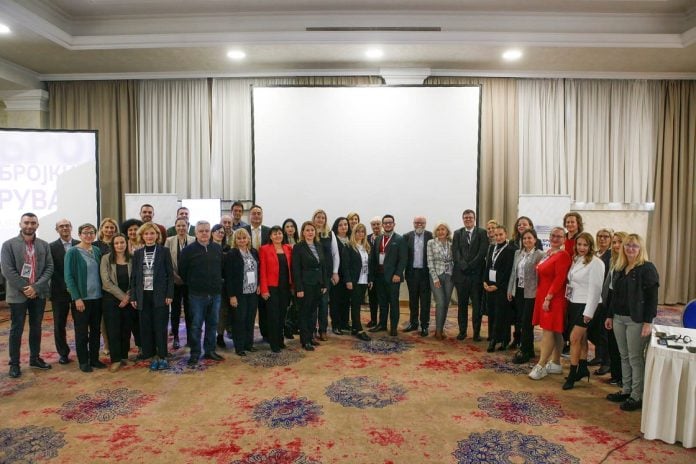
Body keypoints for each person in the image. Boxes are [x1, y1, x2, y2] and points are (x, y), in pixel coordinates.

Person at [604, 234, 659, 411]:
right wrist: (610, 315)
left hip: (637, 320)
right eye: (627, 245)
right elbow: (614, 296)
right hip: (618, 318)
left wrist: (648, 322)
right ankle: (626, 390)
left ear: (641, 248)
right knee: (624, 356)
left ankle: (637, 396)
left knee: (635, 358)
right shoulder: (620, 267)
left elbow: (652, 299)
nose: (630, 249)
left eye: (634, 246)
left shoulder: (647, 268)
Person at [1, 213, 54, 378]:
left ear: (37, 225)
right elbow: (7, 270)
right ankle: (14, 364)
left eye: (33, 223)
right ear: (20, 224)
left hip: (39, 293)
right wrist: (26, 288)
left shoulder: (44, 245)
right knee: (16, 329)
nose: (29, 226)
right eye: (26, 223)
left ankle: (35, 358)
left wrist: (35, 287)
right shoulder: (8, 245)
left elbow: (49, 267)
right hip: (18, 294)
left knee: (36, 327)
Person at [178, 221, 225, 366]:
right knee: (196, 325)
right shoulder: (188, 251)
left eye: (206, 230)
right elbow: (182, 272)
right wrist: (194, 283)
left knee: (213, 323)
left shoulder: (217, 248)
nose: (204, 233)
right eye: (201, 231)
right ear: (195, 233)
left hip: (215, 294)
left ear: (210, 232)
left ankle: (210, 350)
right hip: (197, 295)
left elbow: (221, 269)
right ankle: (195, 353)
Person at [562, 232, 605, 390]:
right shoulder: (577, 259)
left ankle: (572, 374)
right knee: (582, 338)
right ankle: (582, 368)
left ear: (591, 246)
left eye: (585, 245)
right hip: (574, 303)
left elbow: (596, 290)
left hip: (587, 305)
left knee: (574, 339)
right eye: (579, 244)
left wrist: (588, 313)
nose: (582, 247)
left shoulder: (596, 263)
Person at [528, 227, 572, 380]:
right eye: (553, 235)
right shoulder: (549, 253)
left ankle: (541, 365)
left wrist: (549, 297)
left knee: (548, 331)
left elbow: (560, 278)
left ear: (564, 239)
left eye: (559, 236)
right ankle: (556, 363)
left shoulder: (563, 255)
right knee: (556, 331)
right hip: (544, 294)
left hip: (554, 297)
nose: (555, 238)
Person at [130, 223, 174, 370]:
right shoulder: (138, 253)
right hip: (143, 295)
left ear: (157, 235)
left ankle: (162, 355)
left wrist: (169, 294)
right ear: (142, 236)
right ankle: (150, 355)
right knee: (146, 326)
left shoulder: (164, 251)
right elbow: (134, 277)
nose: (149, 236)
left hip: (160, 294)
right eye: (146, 234)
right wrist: (133, 297)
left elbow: (170, 275)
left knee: (160, 326)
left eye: (152, 233)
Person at [64, 223, 105, 373]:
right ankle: (83, 361)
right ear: (79, 235)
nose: (89, 235)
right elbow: (68, 277)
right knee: (81, 332)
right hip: (82, 299)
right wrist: (77, 298)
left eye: (91, 232)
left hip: (98, 297)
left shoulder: (96, 250)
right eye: (85, 233)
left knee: (95, 331)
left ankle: (94, 359)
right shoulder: (72, 252)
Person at [506, 228, 545, 363]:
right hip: (519, 290)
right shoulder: (518, 253)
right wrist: (510, 289)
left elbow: (541, 276)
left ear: (535, 240)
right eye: (524, 238)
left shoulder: (540, 255)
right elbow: (513, 272)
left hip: (531, 292)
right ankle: (529, 349)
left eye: (529, 238)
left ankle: (524, 351)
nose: (527, 240)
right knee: (521, 321)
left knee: (527, 323)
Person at [452, 209, 488, 341]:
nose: (468, 219)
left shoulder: (482, 233)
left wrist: (470, 265)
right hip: (461, 276)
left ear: (474, 219)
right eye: (465, 217)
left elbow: (482, 252)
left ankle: (476, 333)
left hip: (476, 276)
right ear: (463, 219)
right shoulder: (457, 233)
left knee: (477, 307)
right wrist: (463, 265)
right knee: (462, 306)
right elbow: (455, 252)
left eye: (470, 217)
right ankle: (462, 332)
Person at [292, 221, 329, 351]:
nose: (310, 232)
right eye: (307, 230)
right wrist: (299, 288)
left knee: (313, 312)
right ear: (303, 232)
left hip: (318, 284)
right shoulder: (298, 247)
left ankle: (311, 337)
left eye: (312, 230)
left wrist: (324, 283)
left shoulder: (319, 245)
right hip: (305, 285)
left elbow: (323, 266)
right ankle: (305, 340)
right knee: (304, 312)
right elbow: (296, 269)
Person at [368, 214, 407, 337]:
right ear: (383, 225)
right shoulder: (378, 239)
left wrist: (398, 274)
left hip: (393, 277)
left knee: (393, 303)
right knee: (382, 302)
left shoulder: (400, 239)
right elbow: (373, 258)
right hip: (379, 276)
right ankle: (382, 324)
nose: (388, 225)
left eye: (390, 222)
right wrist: (372, 277)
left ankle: (393, 327)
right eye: (385, 223)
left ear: (394, 224)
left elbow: (403, 259)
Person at [99, 233, 133, 372]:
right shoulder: (106, 259)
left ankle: (124, 356)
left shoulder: (132, 258)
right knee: (113, 330)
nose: (120, 245)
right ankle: (116, 359)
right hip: (111, 300)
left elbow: (136, 279)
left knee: (126, 329)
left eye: (122, 242)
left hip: (129, 299)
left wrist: (128, 296)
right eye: (117, 243)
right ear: (113, 245)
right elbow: (106, 282)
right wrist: (122, 297)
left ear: (126, 243)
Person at [225, 228, 259, 356]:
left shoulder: (254, 252)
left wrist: (259, 285)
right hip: (239, 292)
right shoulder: (232, 254)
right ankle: (239, 347)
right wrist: (232, 295)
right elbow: (229, 276)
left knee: (250, 319)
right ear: (235, 240)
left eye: (244, 238)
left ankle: (248, 344)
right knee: (239, 320)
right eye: (239, 238)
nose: (242, 240)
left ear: (248, 239)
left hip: (253, 291)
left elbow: (258, 270)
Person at [49, 219, 79, 365]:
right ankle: (63, 353)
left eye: (67, 225)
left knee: (80, 323)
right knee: (59, 324)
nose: (65, 228)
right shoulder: (50, 247)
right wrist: (66, 285)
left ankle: (81, 350)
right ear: (57, 229)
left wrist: (74, 287)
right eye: (61, 226)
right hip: (59, 292)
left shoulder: (80, 244)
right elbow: (50, 269)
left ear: (71, 227)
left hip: (78, 292)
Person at [259, 226, 293, 352]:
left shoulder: (288, 248)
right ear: (270, 236)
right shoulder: (264, 249)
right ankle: (274, 343)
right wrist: (264, 289)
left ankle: (280, 340)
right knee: (273, 316)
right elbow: (262, 270)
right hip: (271, 287)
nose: (278, 236)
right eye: (275, 234)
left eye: (279, 233)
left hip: (285, 287)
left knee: (282, 315)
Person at [483, 225, 516, 352]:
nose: (498, 237)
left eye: (501, 234)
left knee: (502, 314)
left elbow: (508, 270)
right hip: (490, 285)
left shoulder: (511, 249)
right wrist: (485, 281)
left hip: (502, 287)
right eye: (496, 235)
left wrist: (497, 286)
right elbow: (488, 265)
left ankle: (500, 340)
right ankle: (494, 336)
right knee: (491, 312)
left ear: (506, 234)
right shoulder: (492, 247)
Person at [164, 217, 195, 349]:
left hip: (190, 282)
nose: (181, 228)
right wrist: (175, 277)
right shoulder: (169, 240)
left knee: (190, 311)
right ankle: (176, 337)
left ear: (187, 226)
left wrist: (189, 278)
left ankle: (190, 338)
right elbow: (166, 261)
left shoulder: (193, 240)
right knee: (175, 311)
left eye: (183, 225)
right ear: (175, 227)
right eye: (179, 226)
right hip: (175, 281)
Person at [602, 231, 628, 386]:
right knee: (612, 341)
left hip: (620, 304)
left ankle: (623, 377)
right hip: (610, 300)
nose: (617, 245)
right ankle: (615, 374)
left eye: (620, 242)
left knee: (620, 344)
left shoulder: (627, 263)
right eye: (615, 242)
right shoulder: (613, 260)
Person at [588, 228, 613, 375]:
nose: (602, 239)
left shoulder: (611, 256)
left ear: (610, 239)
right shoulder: (595, 254)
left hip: (604, 299)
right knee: (593, 329)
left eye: (606, 237)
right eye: (600, 236)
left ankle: (606, 361)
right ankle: (599, 355)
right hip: (592, 296)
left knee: (603, 332)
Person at [403, 216, 433, 336]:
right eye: (417, 222)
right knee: (413, 300)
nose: (419, 224)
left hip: (426, 273)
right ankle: (413, 323)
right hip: (412, 273)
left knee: (425, 301)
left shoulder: (431, 236)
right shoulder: (406, 236)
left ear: (425, 223)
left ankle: (424, 325)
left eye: (422, 222)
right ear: (413, 223)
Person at [244, 205, 270, 340]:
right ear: (249, 216)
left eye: (259, 213)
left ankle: (265, 334)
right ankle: (248, 338)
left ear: (262, 215)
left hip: (265, 272)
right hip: (247, 274)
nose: (256, 216)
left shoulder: (268, 231)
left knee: (265, 307)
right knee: (249, 309)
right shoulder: (243, 231)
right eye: (254, 213)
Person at [427, 222, 455, 341]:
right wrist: (435, 278)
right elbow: (430, 261)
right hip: (436, 276)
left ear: (447, 231)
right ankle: (438, 331)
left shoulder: (452, 243)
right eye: (438, 230)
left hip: (449, 276)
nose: (441, 232)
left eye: (443, 229)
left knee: (446, 303)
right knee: (440, 303)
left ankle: (441, 328)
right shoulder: (431, 243)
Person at [344, 223, 371, 341]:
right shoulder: (349, 246)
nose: (360, 234)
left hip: (364, 280)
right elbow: (345, 266)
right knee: (355, 305)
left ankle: (355, 328)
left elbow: (369, 265)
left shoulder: (366, 247)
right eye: (358, 231)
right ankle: (359, 329)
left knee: (358, 304)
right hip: (354, 280)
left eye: (362, 231)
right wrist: (348, 280)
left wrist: (370, 279)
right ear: (354, 233)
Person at [312, 209, 337, 340]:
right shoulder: (309, 232)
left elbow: (335, 254)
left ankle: (323, 330)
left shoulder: (330, 234)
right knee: (311, 304)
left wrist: (335, 272)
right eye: (318, 217)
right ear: (314, 218)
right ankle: (311, 330)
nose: (320, 219)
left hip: (326, 274)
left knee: (323, 303)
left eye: (323, 217)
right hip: (312, 274)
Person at [561, 212, 584, 356]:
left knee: (572, 312)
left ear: (578, 223)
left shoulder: (581, 239)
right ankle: (564, 340)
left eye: (572, 222)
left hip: (574, 280)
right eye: (567, 222)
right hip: (563, 279)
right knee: (564, 311)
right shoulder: (563, 237)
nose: (569, 224)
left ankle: (572, 342)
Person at [330, 217, 351, 334]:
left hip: (348, 275)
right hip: (336, 274)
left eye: (345, 224)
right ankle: (336, 325)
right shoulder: (333, 238)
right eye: (340, 225)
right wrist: (334, 272)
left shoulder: (351, 238)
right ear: (336, 227)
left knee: (346, 300)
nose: (344, 227)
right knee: (335, 300)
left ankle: (345, 323)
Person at [366, 217, 382, 327]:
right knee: (372, 299)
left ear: (381, 225)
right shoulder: (366, 238)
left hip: (382, 273)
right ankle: (373, 320)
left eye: (378, 224)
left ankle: (382, 321)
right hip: (370, 273)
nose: (376, 226)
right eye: (373, 224)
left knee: (382, 300)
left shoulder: (385, 238)